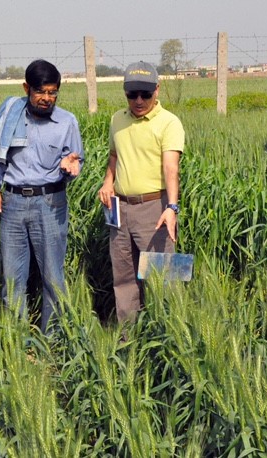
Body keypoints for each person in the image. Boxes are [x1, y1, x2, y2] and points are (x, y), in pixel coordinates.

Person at [0, 59, 84, 333]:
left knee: (53, 276)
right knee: (13, 278)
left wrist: (71, 168)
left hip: (50, 204)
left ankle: (52, 342)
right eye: (41, 92)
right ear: (27, 88)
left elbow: (76, 160)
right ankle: (14, 340)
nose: (46, 98)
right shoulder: (11, 116)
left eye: (53, 92)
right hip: (13, 203)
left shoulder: (67, 122)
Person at [98, 61, 184, 323]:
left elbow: (171, 168)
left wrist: (172, 207)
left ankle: (169, 335)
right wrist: (107, 181)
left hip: (153, 209)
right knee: (123, 276)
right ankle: (128, 338)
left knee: (163, 276)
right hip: (119, 208)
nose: (138, 100)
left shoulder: (169, 122)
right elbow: (114, 156)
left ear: (157, 90)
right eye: (132, 94)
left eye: (145, 94)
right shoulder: (117, 119)